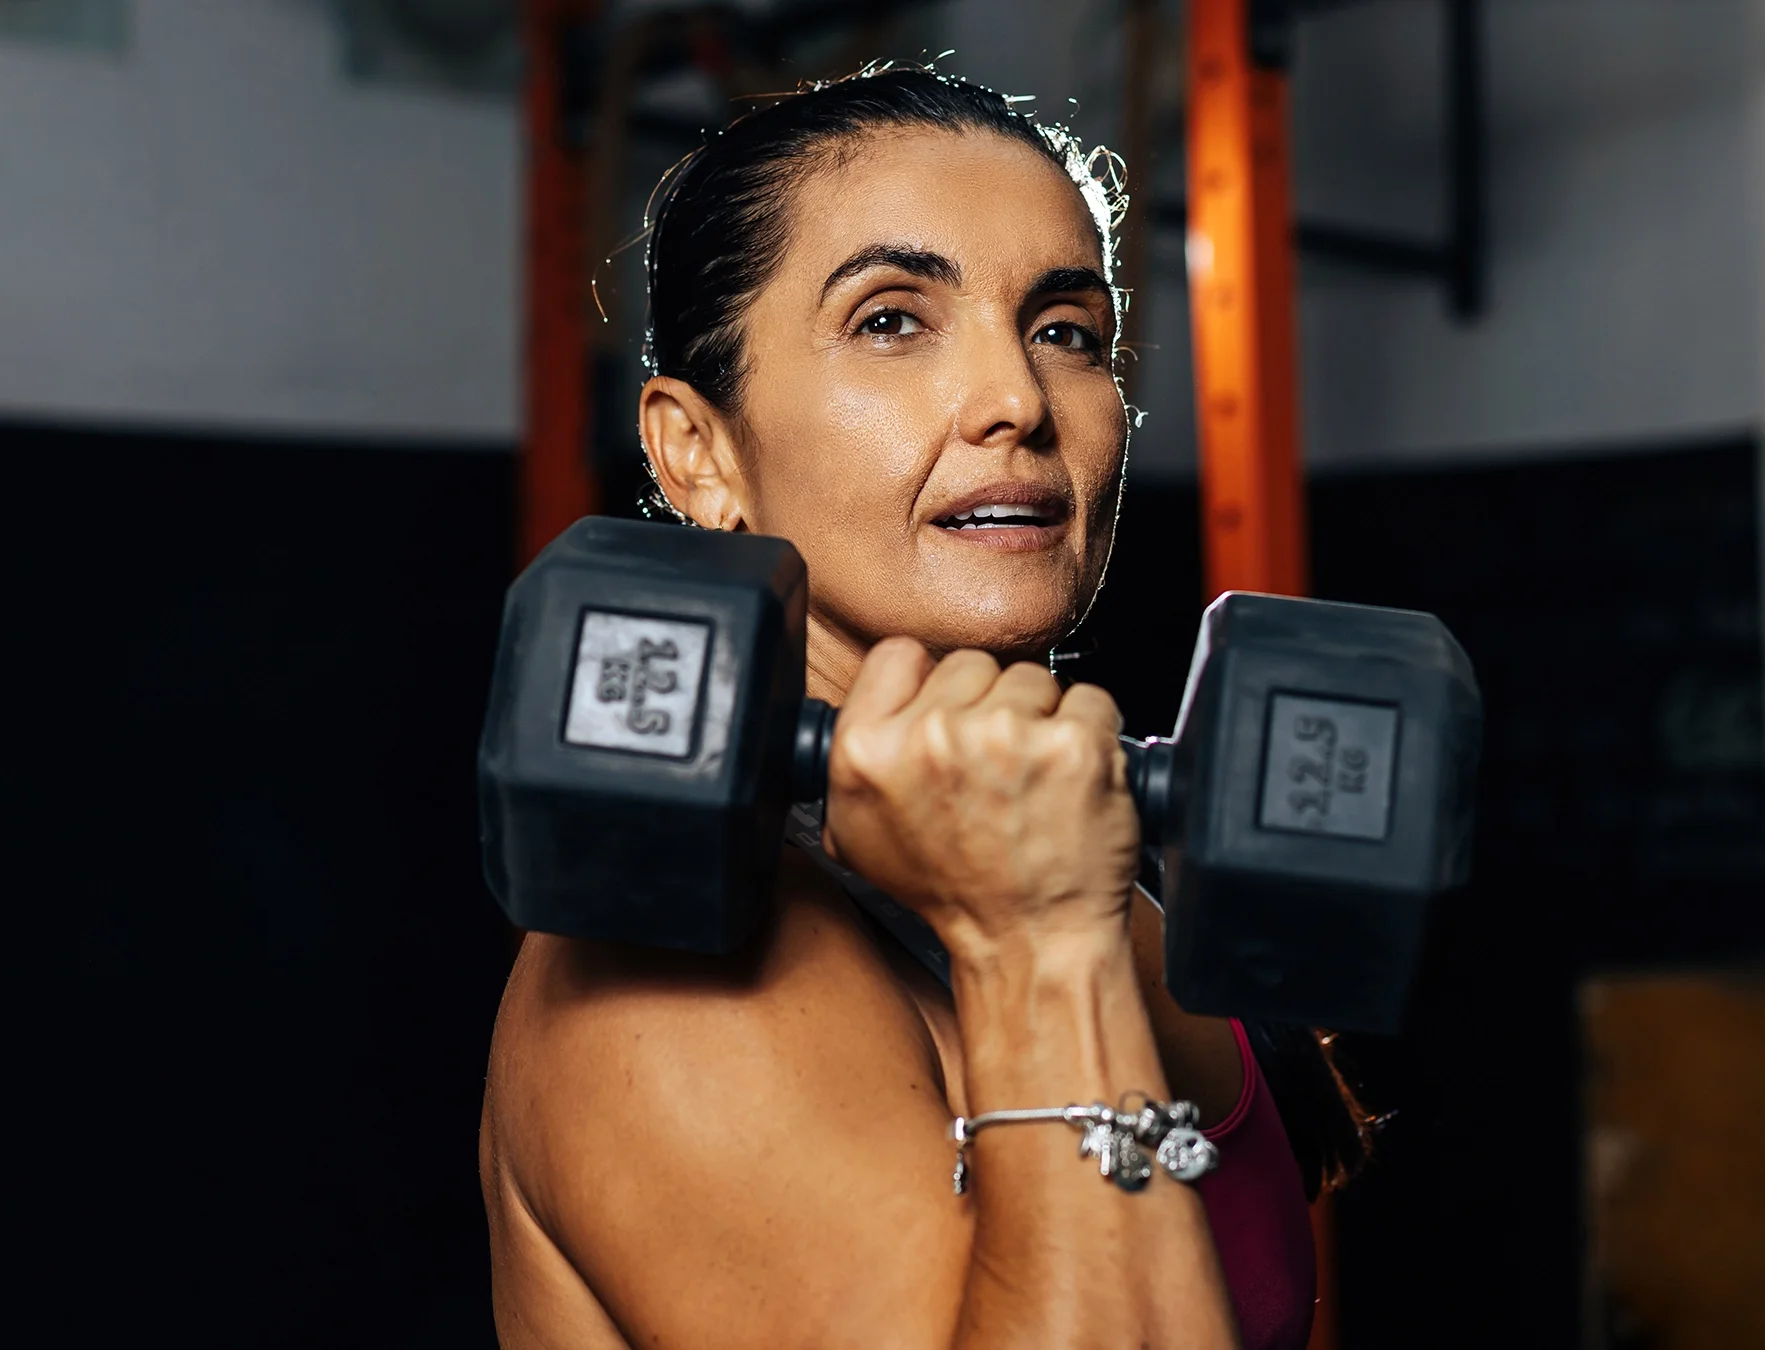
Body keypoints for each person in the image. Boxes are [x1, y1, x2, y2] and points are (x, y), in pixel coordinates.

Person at [479, 67, 1367, 1349]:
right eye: (893, 321)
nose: (1016, 398)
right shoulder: (664, 985)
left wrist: (1049, 920)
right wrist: (1037, 951)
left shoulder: (1090, 878)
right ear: (695, 451)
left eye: (1066, 330)